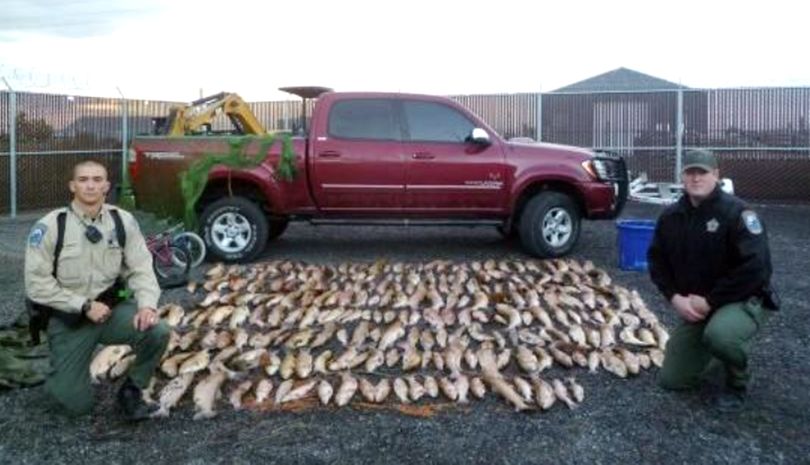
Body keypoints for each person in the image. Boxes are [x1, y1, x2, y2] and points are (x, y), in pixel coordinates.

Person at [24, 160, 169, 420]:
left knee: (157, 331)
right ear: (72, 186)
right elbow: (36, 284)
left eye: (97, 179)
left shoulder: (122, 221)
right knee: (74, 405)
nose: (90, 185)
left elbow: (141, 268)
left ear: (106, 186)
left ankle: (132, 389)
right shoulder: (50, 226)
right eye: (83, 179)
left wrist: (147, 305)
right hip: (69, 318)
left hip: (110, 311)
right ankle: (64, 376)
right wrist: (84, 305)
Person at [648, 149, 779, 412]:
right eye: (690, 172)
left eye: (703, 172)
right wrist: (675, 298)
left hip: (742, 299)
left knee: (721, 336)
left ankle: (737, 382)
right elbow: (657, 262)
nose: (696, 178)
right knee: (672, 380)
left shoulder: (738, 213)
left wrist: (711, 302)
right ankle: (716, 352)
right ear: (682, 176)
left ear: (716, 175)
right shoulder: (671, 216)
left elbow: (757, 269)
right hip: (698, 305)